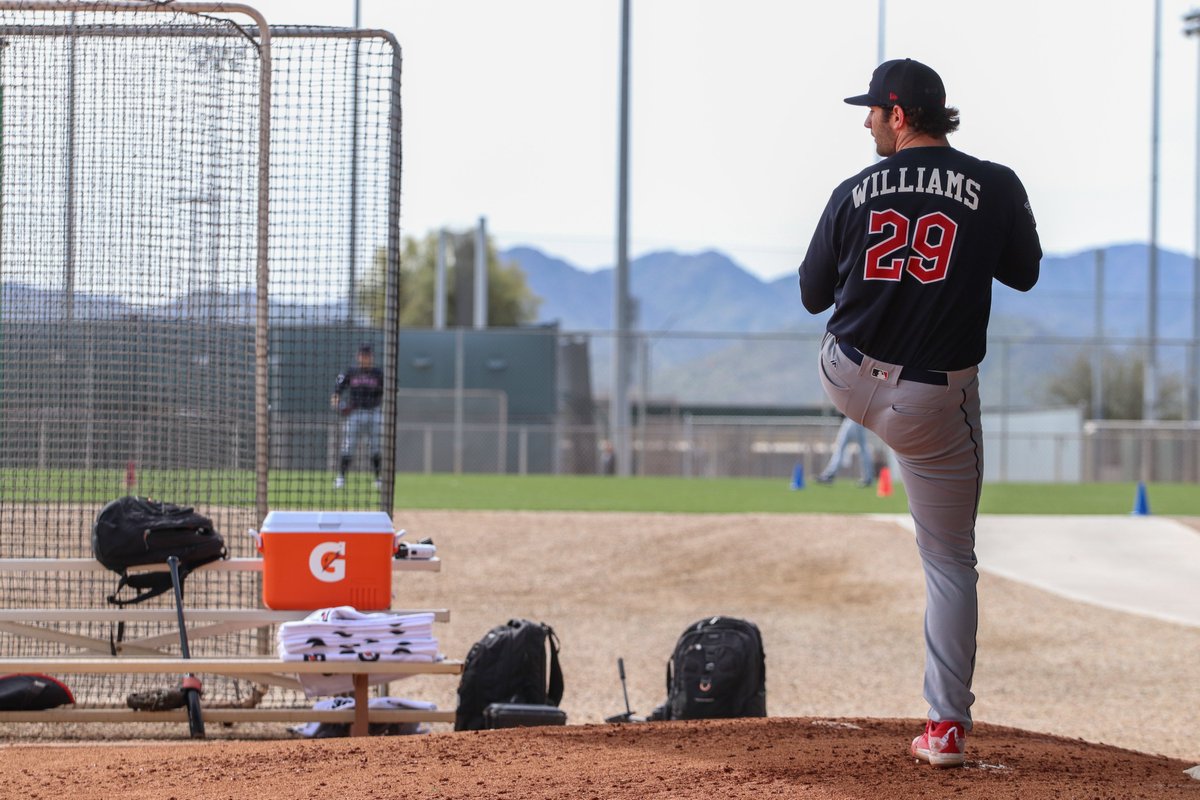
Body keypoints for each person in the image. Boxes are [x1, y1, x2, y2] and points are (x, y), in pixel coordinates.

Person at [797, 59, 1041, 767]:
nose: (866, 118)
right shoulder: (993, 185)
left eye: (873, 109)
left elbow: (814, 295)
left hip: (845, 379)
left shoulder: (852, 191)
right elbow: (1023, 272)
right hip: (932, 403)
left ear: (899, 115)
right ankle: (945, 730)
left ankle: (864, 412)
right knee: (948, 560)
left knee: (846, 341)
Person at [331, 343, 385, 490]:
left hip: (374, 412)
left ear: (372, 357)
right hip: (355, 413)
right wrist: (337, 400)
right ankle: (341, 477)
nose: (365, 358)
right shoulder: (351, 372)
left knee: (376, 446)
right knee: (348, 445)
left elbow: (391, 390)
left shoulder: (378, 373)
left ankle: (379, 478)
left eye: (367, 355)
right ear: (358, 356)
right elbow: (338, 388)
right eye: (363, 355)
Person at [815, 416, 873, 487]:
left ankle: (829, 474)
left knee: (845, 448)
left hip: (854, 419)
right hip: (855, 420)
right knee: (861, 448)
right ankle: (867, 477)